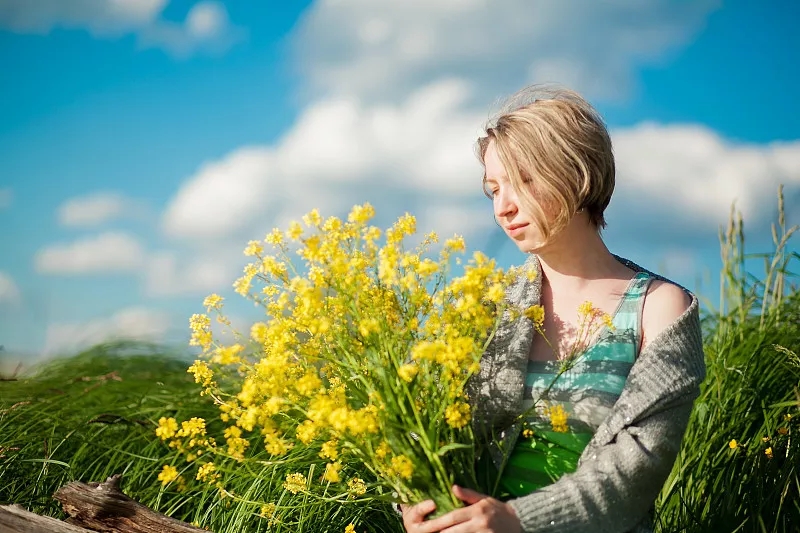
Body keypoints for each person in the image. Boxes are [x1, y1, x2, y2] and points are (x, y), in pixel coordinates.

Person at [401, 86, 706, 533]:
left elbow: (634, 471)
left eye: (524, 180)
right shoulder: (483, 308)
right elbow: (425, 431)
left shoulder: (659, 308)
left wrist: (518, 521)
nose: (503, 208)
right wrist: (417, 504)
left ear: (576, 172)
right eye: (493, 190)